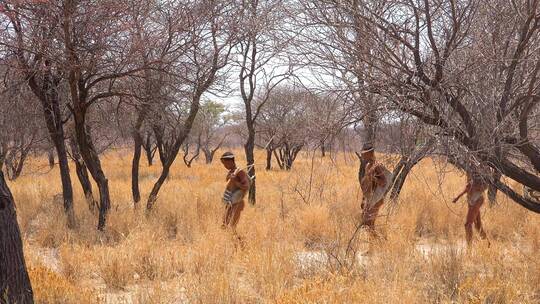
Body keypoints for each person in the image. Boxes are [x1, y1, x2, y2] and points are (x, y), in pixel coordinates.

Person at [453, 170, 490, 247]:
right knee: (478, 225)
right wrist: (457, 197)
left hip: (477, 198)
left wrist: (475, 186)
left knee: (468, 224)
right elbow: (468, 186)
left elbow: (486, 185)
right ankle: (487, 244)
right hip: (471, 199)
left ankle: (469, 248)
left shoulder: (483, 166)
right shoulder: (469, 166)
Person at [359, 144, 392, 232]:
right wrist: (363, 199)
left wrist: (373, 177)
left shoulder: (377, 166)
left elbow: (383, 182)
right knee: (365, 221)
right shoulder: (368, 166)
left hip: (376, 199)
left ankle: (377, 243)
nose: (362, 156)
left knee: (370, 222)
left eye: (364, 154)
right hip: (369, 198)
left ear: (370, 154)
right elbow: (367, 184)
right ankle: (374, 243)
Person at [220, 152, 250, 234]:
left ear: (230, 162)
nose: (224, 166)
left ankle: (239, 244)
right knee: (225, 224)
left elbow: (246, 186)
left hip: (237, 202)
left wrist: (235, 182)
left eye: (225, 164)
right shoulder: (232, 172)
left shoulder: (240, 172)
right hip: (230, 201)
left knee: (232, 226)